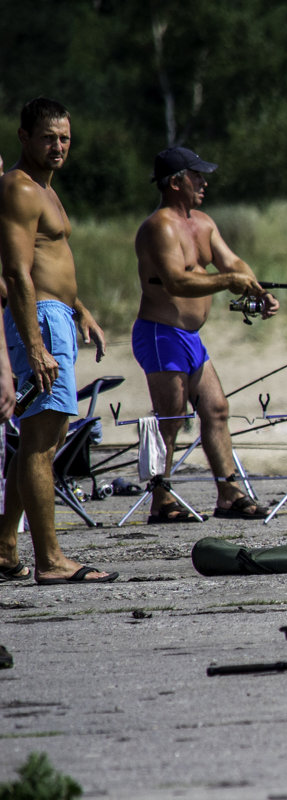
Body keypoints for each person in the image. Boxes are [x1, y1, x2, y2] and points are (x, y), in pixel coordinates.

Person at [0, 98, 115, 583]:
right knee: (42, 443)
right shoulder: (21, 189)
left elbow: (51, 261)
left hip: (56, 316)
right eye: (49, 137)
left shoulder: (46, 189)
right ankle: (50, 561)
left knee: (43, 437)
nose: (59, 146)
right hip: (40, 323)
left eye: (65, 138)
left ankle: (5, 546)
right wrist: (36, 344)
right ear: (25, 137)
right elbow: (18, 272)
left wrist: (79, 308)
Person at [133, 146, 279, 522]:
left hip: (190, 338)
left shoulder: (203, 223)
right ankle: (160, 499)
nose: (204, 182)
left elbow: (233, 264)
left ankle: (228, 493)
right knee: (172, 416)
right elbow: (177, 281)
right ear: (176, 181)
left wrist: (257, 290)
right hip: (160, 333)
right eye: (197, 176)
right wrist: (228, 282)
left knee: (216, 409)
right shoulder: (158, 227)